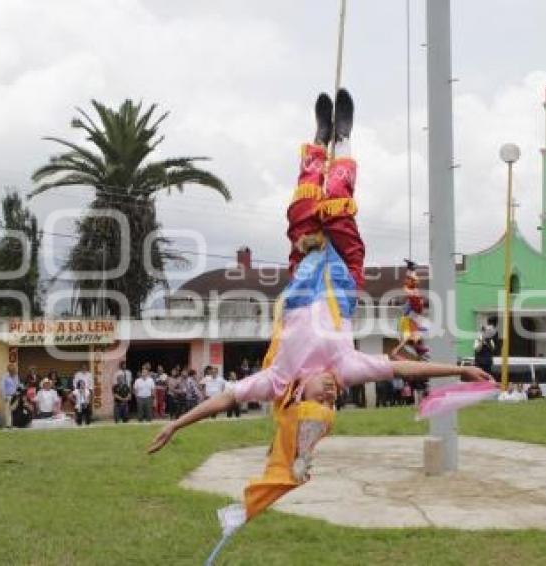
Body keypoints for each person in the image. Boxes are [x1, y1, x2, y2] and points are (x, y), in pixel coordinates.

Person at [148, 89, 491, 528]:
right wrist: (459, 371)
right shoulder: (346, 366)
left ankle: (319, 140)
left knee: (305, 208)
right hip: (343, 275)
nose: (331, 393)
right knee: (339, 205)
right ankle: (343, 140)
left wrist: (177, 425)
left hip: (305, 272)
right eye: (333, 400)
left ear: (297, 398)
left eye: (320, 398)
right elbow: (404, 370)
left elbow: (223, 400)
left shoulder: (277, 379)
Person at [0, 363, 19, 428]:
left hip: (15, 396)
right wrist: (4, 396)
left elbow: (17, 386)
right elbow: (2, 387)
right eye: (12, 370)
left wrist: (18, 394)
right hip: (8, 396)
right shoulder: (4, 376)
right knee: (8, 411)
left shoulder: (16, 376)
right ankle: (8, 425)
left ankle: (15, 423)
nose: (13, 371)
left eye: (14, 369)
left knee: (14, 410)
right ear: (8, 370)